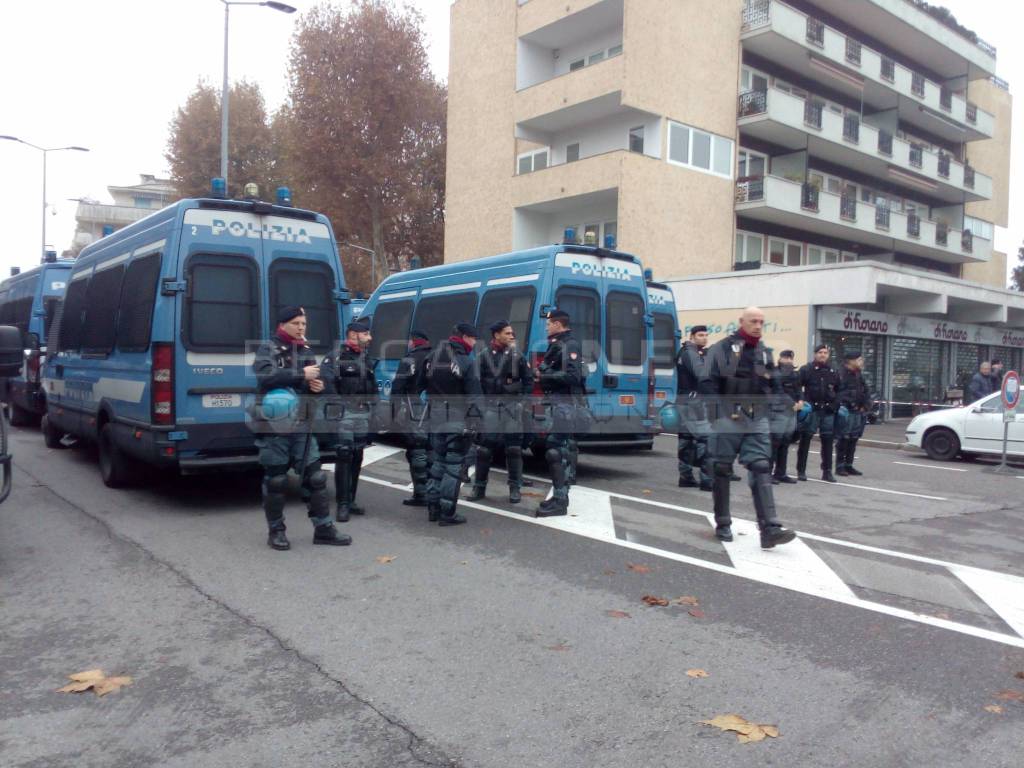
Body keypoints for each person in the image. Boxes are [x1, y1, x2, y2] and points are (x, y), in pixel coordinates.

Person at [251, 306, 350, 550]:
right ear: (283, 324)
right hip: (274, 425)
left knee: (315, 477)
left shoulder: (305, 350)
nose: (301, 328)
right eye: (296, 323)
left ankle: (323, 528)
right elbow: (265, 377)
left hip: (302, 425)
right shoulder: (269, 348)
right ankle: (276, 531)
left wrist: (316, 387)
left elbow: (313, 383)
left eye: (304, 324)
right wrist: (301, 375)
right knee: (276, 480)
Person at [705, 306, 796, 549]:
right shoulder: (723, 348)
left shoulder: (765, 353)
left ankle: (770, 528)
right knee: (722, 468)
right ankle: (723, 523)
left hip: (757, 417)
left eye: (761, 322)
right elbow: (709, 383)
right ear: (741, 322)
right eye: (753, 321)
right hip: (728, 416)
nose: (758, 325)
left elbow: (774, 386)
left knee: (761, 466)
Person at [468, 320, 533, 504]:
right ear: (496, 335)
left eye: (512, 333)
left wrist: (522, 403)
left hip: (512, 409)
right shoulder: (483, 356)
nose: (512, 336)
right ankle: (479, 488)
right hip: (490, 408)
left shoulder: (517, 356)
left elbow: (528, 382)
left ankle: (515, 488)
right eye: (507, 333)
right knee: (484, 450)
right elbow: (475, 384)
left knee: (513, 449)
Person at [424, 323, 483, 526]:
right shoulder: (466, 361)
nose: (475, 343)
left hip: (435, 416)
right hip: (456, 418)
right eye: (474, 339)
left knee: (437, 462)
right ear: (466, 337)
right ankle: (447, 513)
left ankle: (432, 508)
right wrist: (475, 423)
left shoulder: (432, 357)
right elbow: (475, 396)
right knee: (453, 466)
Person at [320, 320, 378, 522]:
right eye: (366, 334)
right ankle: (342, 504)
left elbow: (372, 385)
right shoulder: (335, 357)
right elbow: (328, 385)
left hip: (363, 413)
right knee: (344, 455)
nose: (370, 338)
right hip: (345, 414)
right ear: (354, 334)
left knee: (357, 456)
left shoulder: (365, 357)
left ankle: (351, 500)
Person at [535, 309, 588, 518]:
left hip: (564, 405)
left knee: (558, 452)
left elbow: (573, 377)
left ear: (558, 324)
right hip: (557, 404)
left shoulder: (569, 344)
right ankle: (559, 497)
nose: (547, 327)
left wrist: (544, 378)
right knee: (556, 451)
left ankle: (560, 500)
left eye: (549, 324)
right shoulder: (557, 344)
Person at [390, 330, 432, 506]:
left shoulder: (409, 360)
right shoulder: (438, 357)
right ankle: (433, 490)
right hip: (435, 410)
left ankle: (422, 495)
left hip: (414, 409)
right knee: (431, 451)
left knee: (417, 450)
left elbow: (398, 387)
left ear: (414, 342)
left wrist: (394, 414)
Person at [676, 325, 713, 491]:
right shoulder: (691, 353)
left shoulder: (684, 352)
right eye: (700, 335)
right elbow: (702, 376)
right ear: (692, 336)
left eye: (706, 335)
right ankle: (707, 480)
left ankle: (686, 476)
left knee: (686, 439)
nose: (704, 338)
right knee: (706, 439)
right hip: (694, 402)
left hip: (684, 400)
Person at [796, 344, 841, 483]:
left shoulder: (833, 371)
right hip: (812, 410)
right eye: (820, 352)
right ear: (815, 354)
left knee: (827, 441)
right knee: (805, 440)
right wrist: (803, 402)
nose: (823, 355)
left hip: (827, 410)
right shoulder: (806, 369)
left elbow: (840, 390)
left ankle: (827, 471)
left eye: (825, 353)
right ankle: (801, 471)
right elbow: (797, 387)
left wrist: (835, 405)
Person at [836, 351, 871, 477]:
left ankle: (849, 465)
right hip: (847, 411)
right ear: (851, 361)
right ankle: (840, 466)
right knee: (844, 438)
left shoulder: (858, 375)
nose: (862, 362)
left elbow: (866, 391)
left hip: (859, 412)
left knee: (854, 438)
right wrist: (851, 404)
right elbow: (839, 393)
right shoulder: (841, 374)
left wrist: (865, 406)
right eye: (859, 360)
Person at [770, 350, 802, 484]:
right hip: (778, 411)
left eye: (790, 358)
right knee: (774, 442)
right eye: (785, 357)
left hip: (791, 411)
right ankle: (767, 473)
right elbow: (778, 392)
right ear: (780, 359)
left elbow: (798, 390)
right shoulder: (775, 373)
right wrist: (792, 403)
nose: (788, 360)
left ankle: (780, 473)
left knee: (785, 442)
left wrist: (800, 401)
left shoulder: (794, 374)